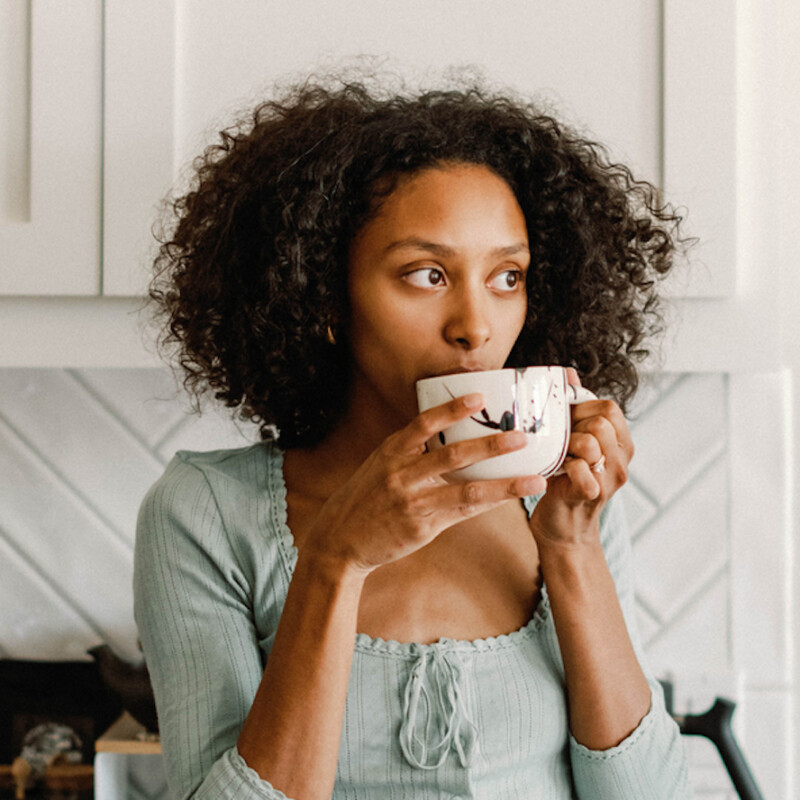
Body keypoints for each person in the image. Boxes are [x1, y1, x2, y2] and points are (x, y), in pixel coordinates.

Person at [135, 76, 692, 799]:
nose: (475, 325)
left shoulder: (564, 504)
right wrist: (334, 562)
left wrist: (572, 548)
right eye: (427, 275)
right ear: (325, 295)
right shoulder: (204, 513)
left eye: (507, 276)